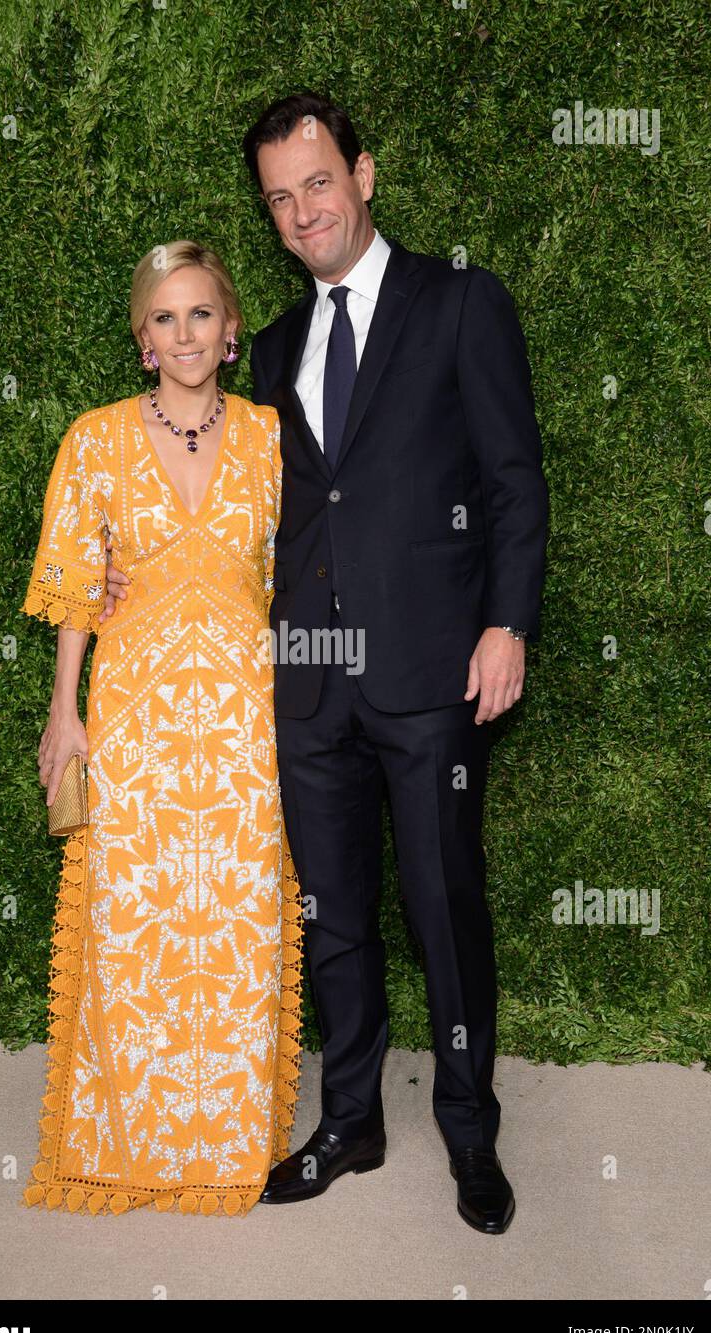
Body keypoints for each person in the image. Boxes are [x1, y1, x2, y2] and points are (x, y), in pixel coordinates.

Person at [105, 93, 549, 1235]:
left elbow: (514, 481)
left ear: (362, 172)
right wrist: (136, 580)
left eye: (318, 182)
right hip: (305, 676)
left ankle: (467, 1125)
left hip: (430, 667)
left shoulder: (459, 302)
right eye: (280, 197)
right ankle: (350, 1118)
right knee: (333, 912)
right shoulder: (276, 349)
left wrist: (507, 623)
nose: (304, 210)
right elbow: (249, 517)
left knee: (443, 904)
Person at [18, 240, 303, 1217]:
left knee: (236, 921)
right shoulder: (92, 440)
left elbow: (299, 577)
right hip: (132, 719)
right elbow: (70, 593)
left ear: (229, 332)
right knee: (131, 926)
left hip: (241, 724)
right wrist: (67, 716)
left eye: (202, 315)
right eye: (164, 318)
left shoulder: (272, 438)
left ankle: (225, 1147)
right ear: (143, 341)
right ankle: (126, 1142)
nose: (184, 334)